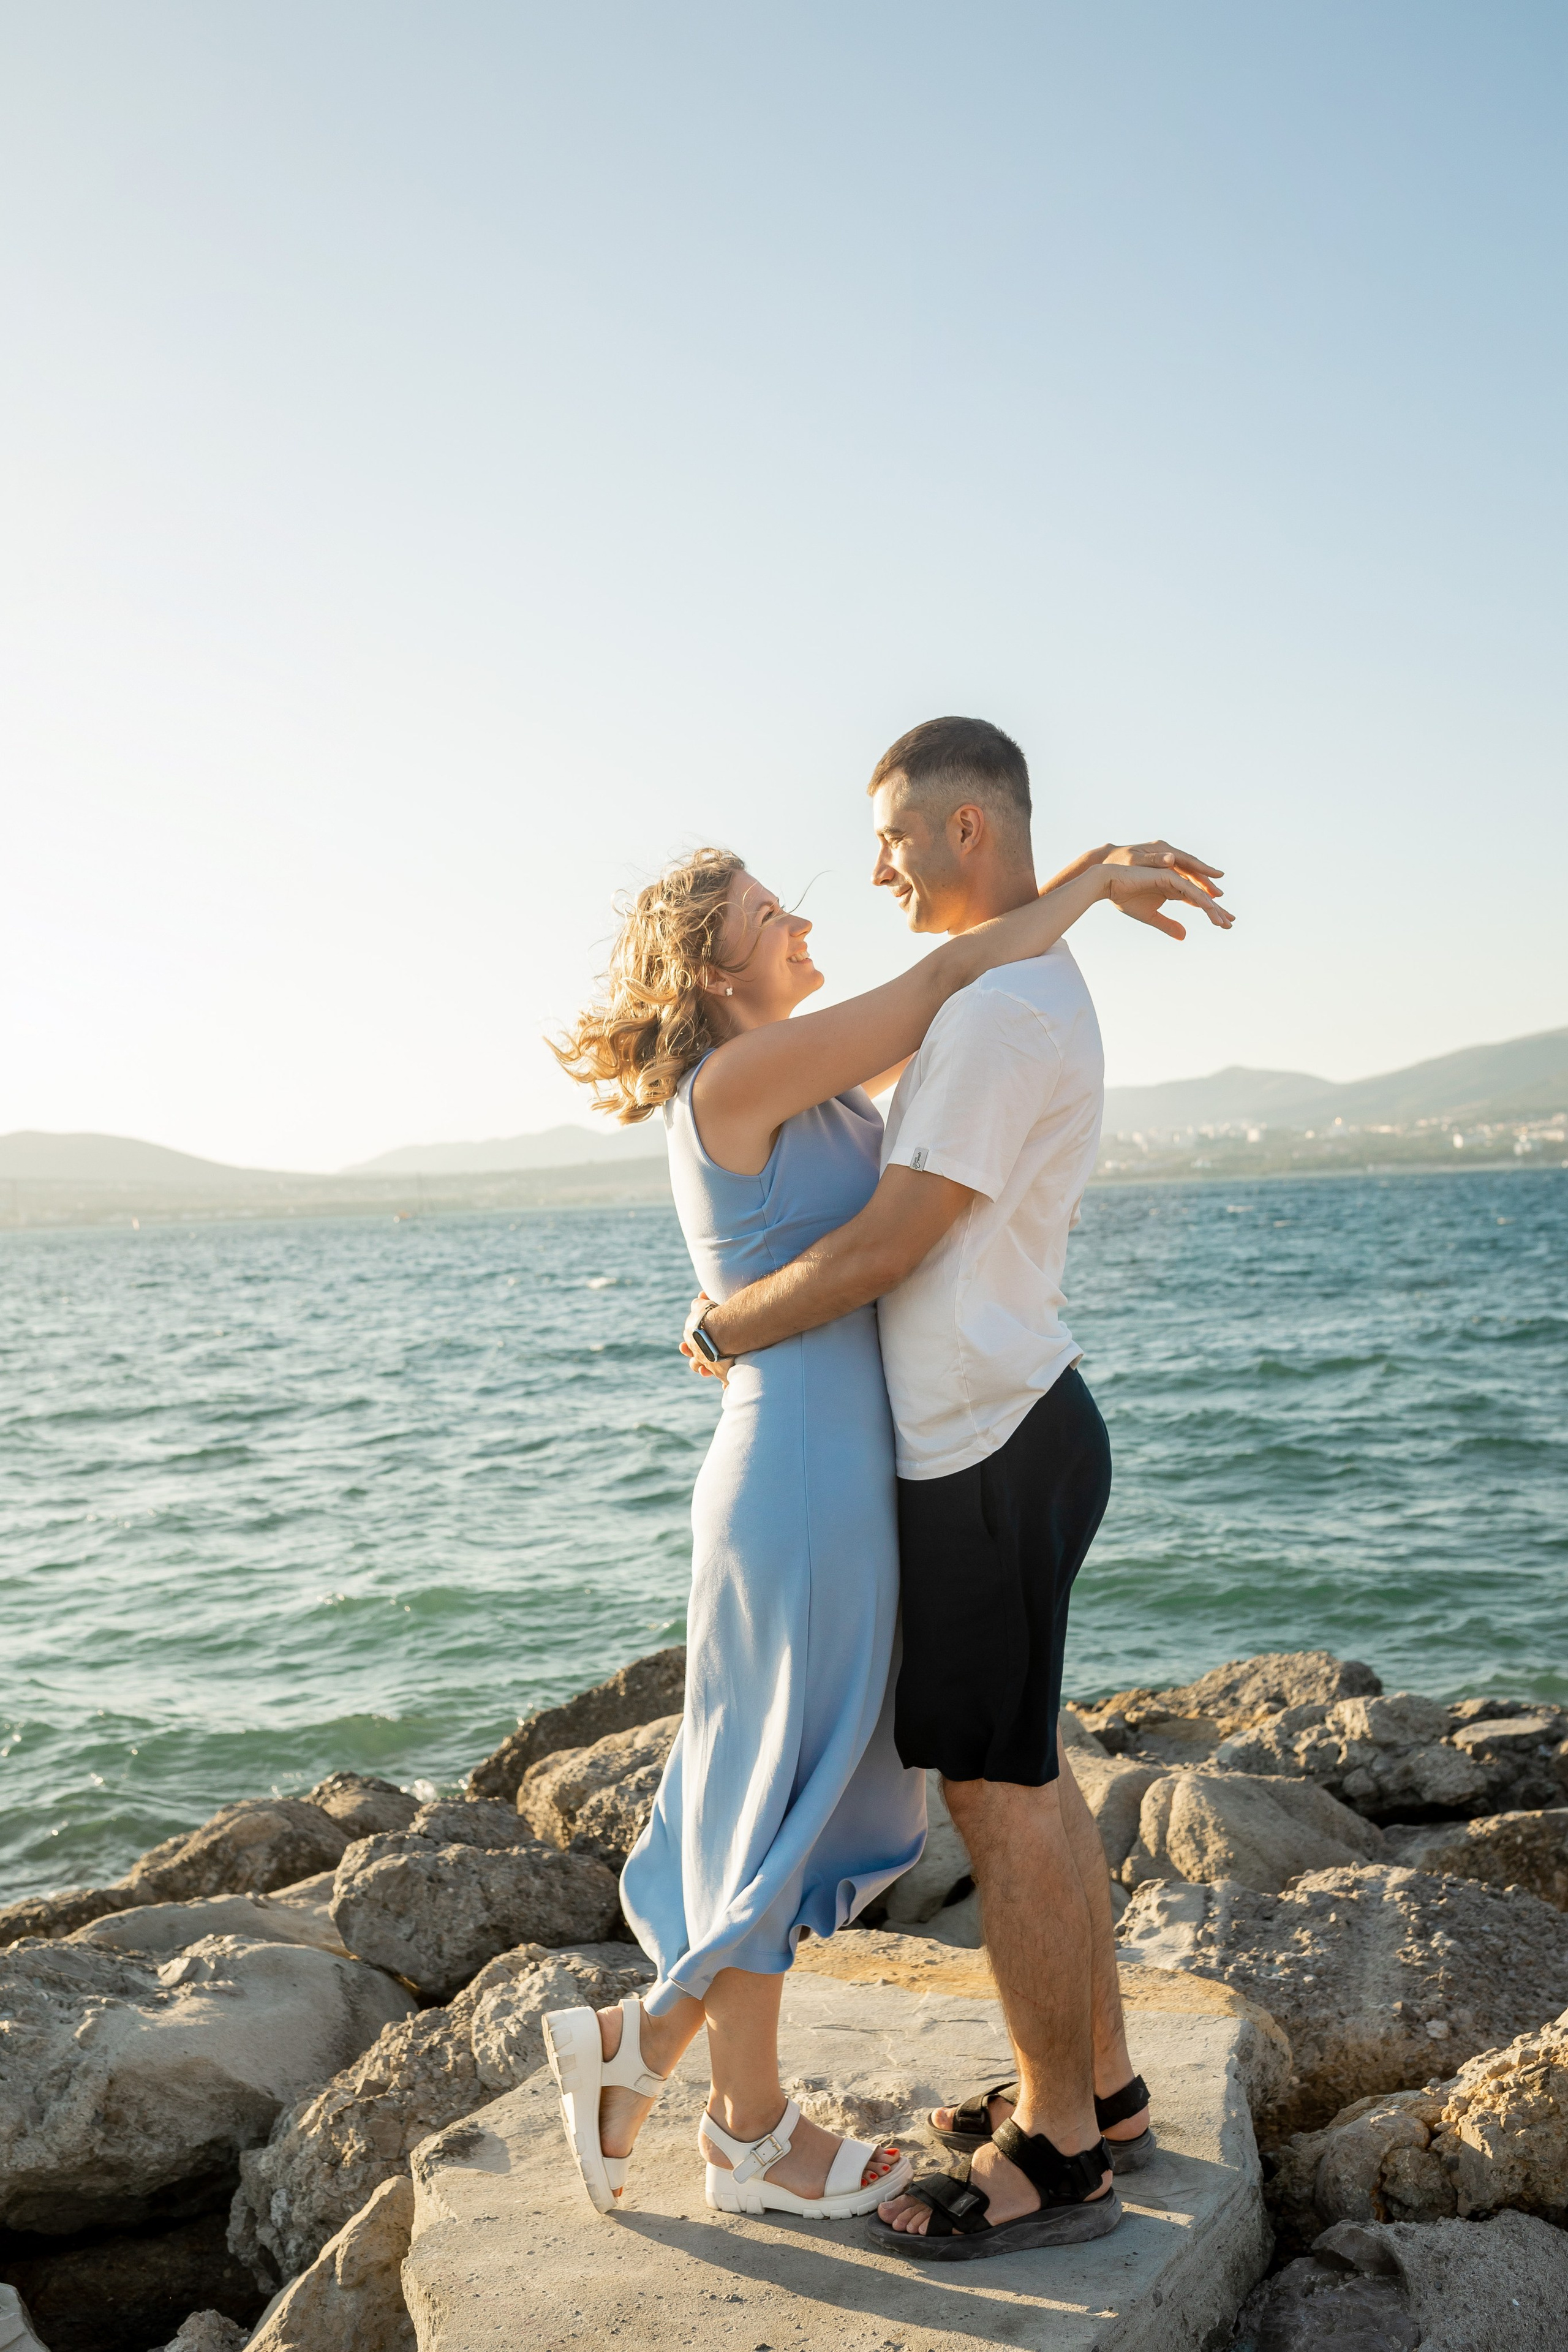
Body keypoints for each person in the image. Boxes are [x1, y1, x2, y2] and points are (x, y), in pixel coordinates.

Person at [540, 816, 1226, 2226]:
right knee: (774, 1795)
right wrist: (1089, 887)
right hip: (795, 1480)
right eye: (766, 913)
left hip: (845, 1477)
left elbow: (972, 1009)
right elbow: (937, 989)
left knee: (798, 1792)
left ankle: (669, 2071)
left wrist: (1065, 884)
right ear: (715, 969)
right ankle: (721, 2112)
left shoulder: (822, 1098)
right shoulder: (739, 1076)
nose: (800, 923)